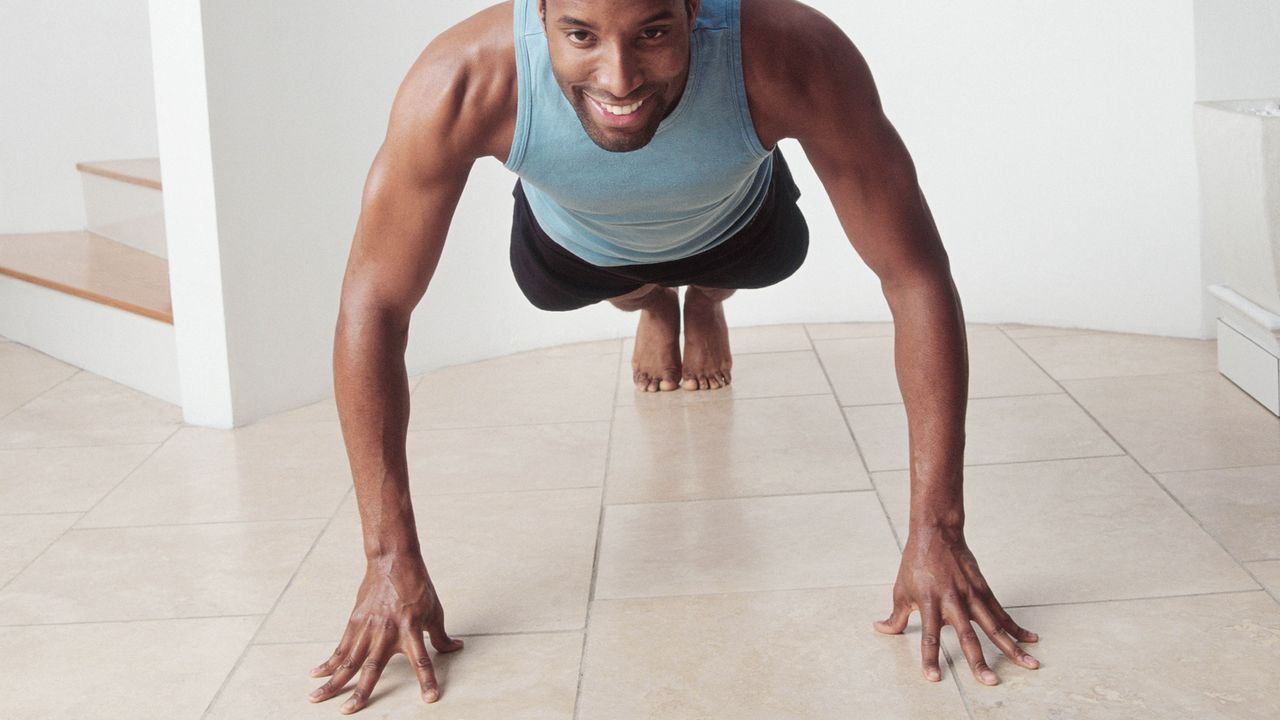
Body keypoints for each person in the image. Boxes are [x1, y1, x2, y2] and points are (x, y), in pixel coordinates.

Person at [316, 0, 1040, 713]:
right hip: (577, 248)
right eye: (581, 35)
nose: (621, 76)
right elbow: (373, 306)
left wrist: (937, 533)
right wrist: (387, 560)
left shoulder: (789, 52)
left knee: (758, 261)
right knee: (629, 288)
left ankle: (706, 298)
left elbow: (913, 274)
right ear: (539, 14)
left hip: (738, 227)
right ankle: (652, 299)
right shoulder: (463, 78)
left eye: (654, 32)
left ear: (696, 7)